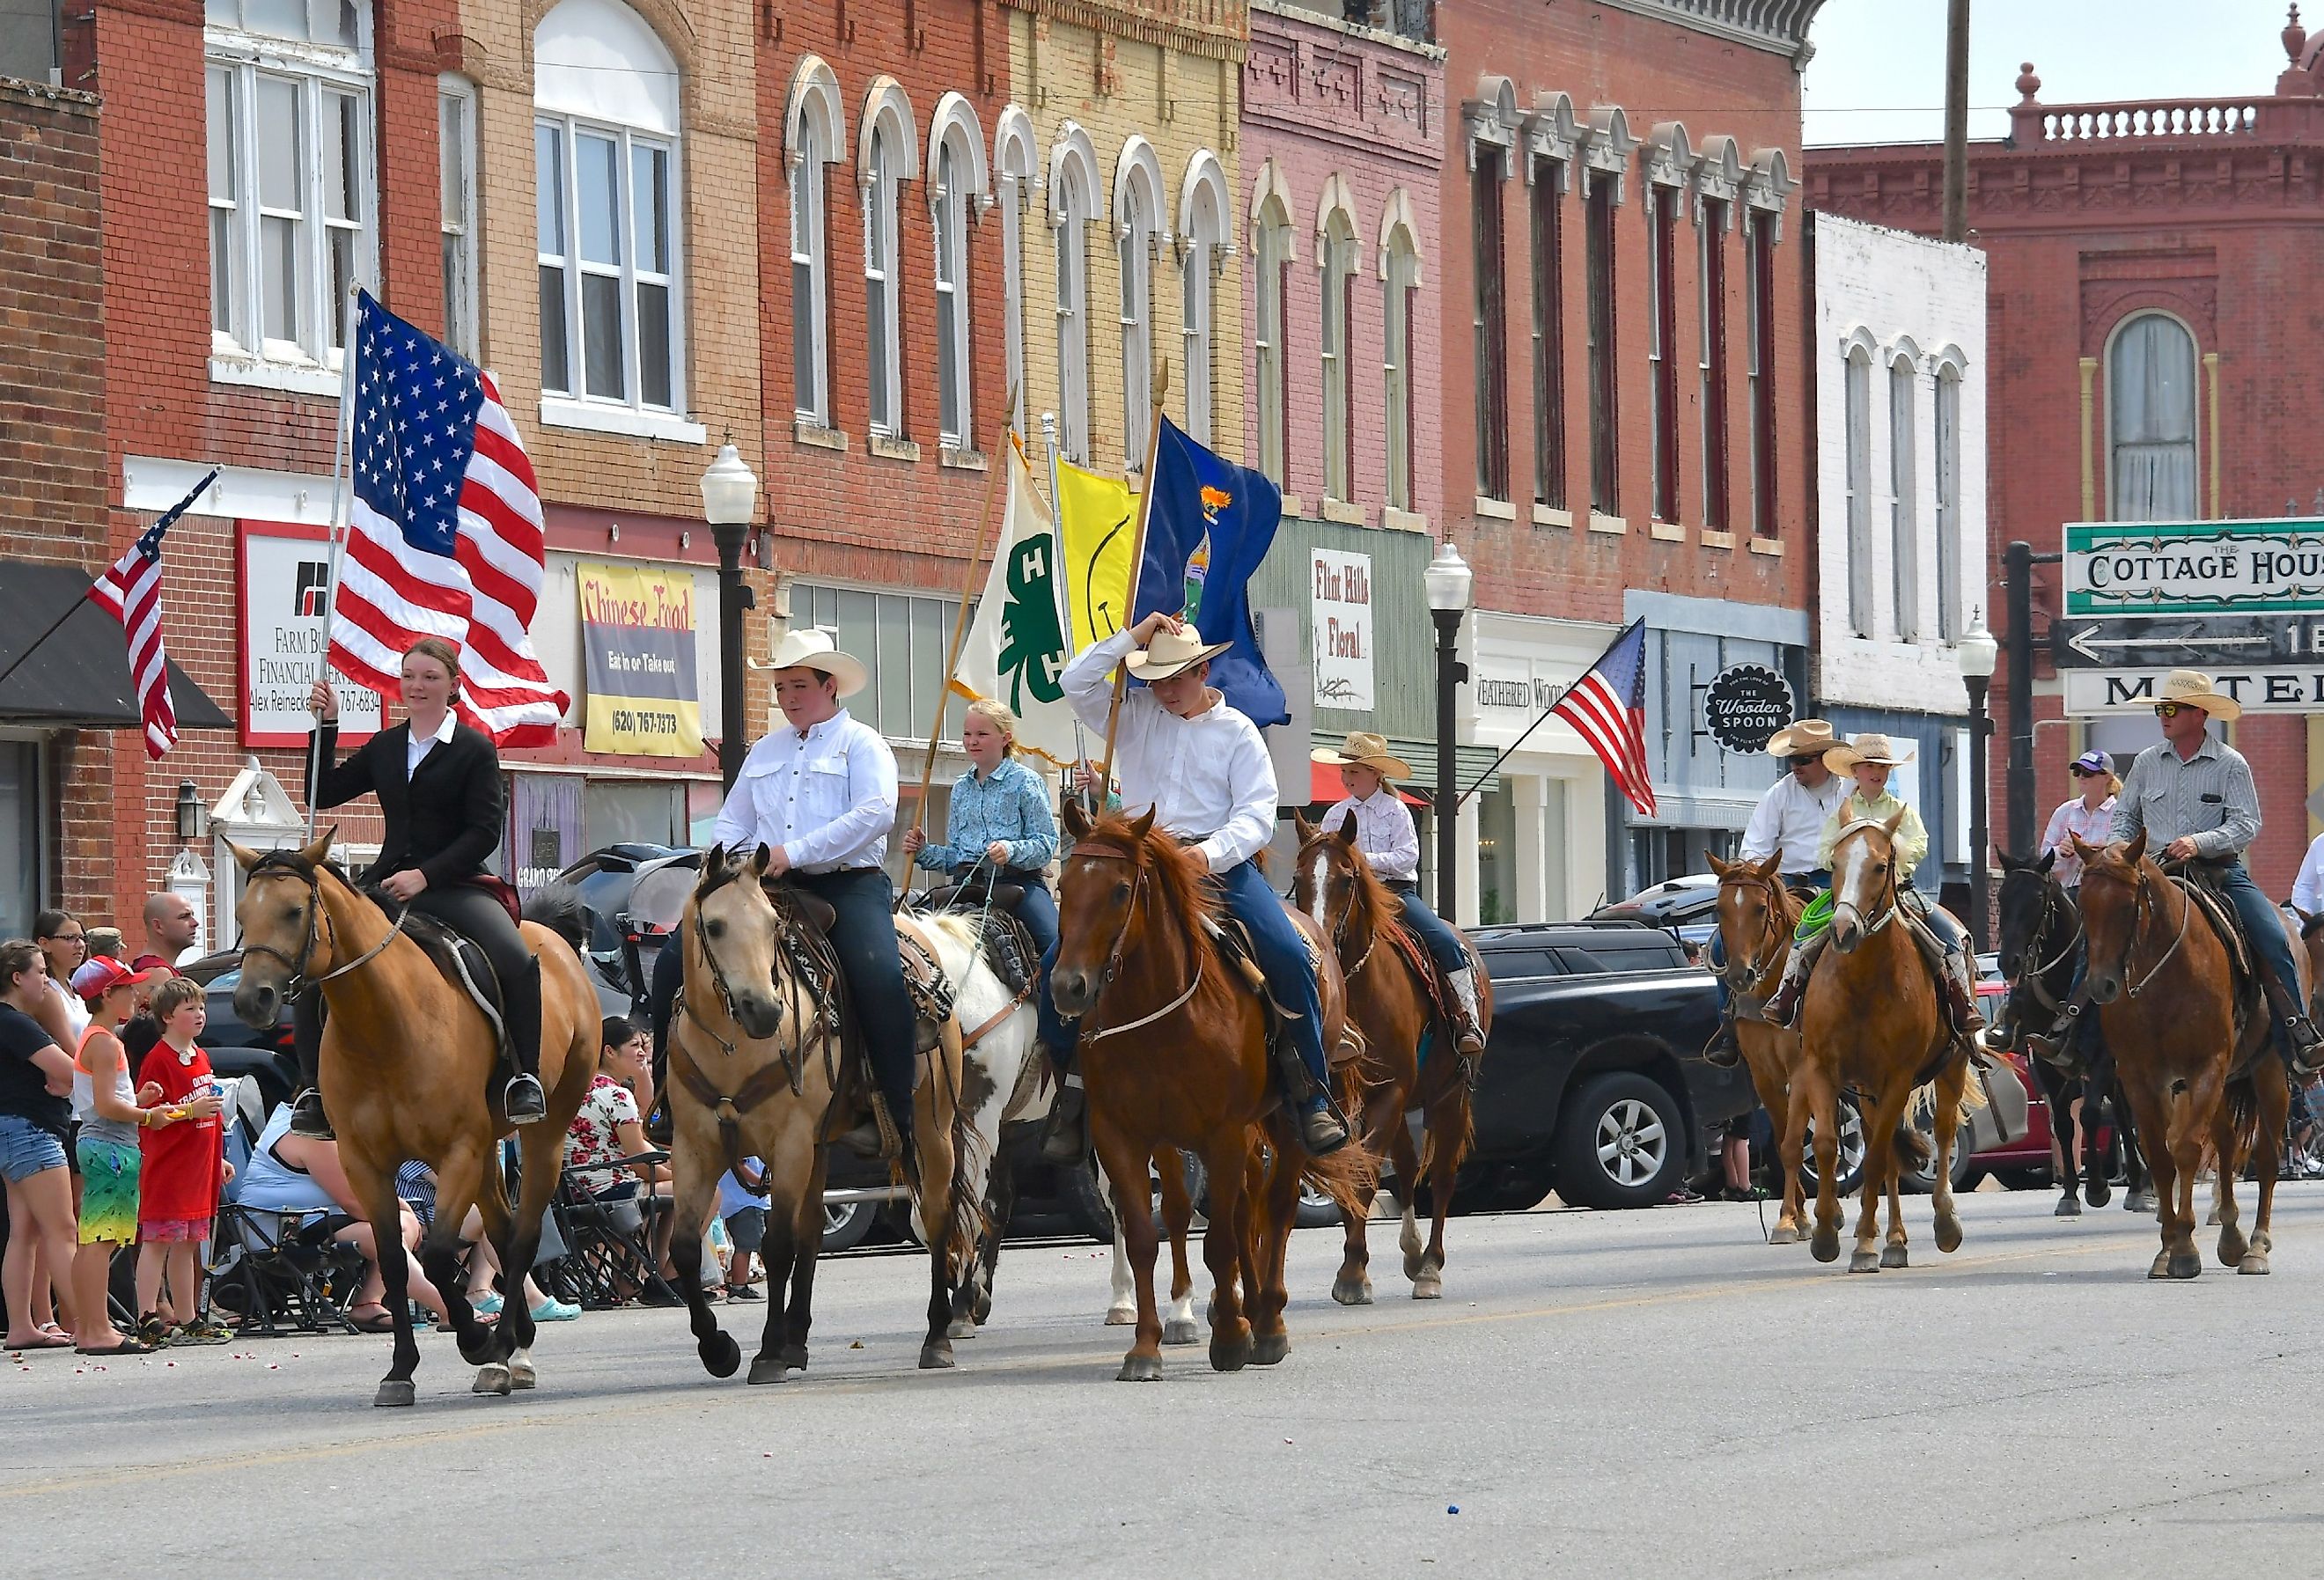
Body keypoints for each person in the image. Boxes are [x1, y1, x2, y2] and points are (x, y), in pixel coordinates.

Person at [1052, 612, 1348, 1157]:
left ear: (1204, 670)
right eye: (1156, 678)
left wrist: (1204, 856)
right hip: (1138, 866)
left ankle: (1312, 1095)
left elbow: (1257, 816)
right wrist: (1132, 638)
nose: (1165, 690)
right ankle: (1063, 1093)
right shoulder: (1133, 713)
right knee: (1065, 954)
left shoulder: (1238, 734)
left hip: (1217, 867)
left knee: (1287, 952)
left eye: (1177, 677)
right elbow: (1074, 682)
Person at [299, 636, 545, 1135]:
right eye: (410, 676)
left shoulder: (475, 748)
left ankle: (523, 1077)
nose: (417, 686)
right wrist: (327, 726)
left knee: (516, 961)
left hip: (454, 882)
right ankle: (313, 1090)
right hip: (386, 882)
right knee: (317, 959)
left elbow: (484, 831)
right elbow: (320, 793)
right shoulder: (387, 746)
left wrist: (426, 875)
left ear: (453, 686)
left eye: (430, 678)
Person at [709, 626, 918, 1160]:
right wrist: (738, 862)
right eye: (781, 688)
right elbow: (731, 821)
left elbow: (876, 814)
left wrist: (790, 852)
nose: (788, 698)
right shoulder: (764, 751)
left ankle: (897, 1112)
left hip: (849, 885)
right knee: (680, 963)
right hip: (767, 886)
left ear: (831, 686)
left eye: (799, 685)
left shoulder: (863, 743)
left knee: (879, 976)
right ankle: (673, 1095)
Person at [2108, 669, 2322, 1072]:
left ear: (2199, 714)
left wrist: (2197, 842)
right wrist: (2117, 852)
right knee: (2098, 932)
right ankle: (2073, 1032)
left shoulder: (2230, 764)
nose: (2163, 716)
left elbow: (2246, 824)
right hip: (2154, 873)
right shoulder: (2145, 763)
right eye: (2160, 708)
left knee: (2273, 937)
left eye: (2171, 708)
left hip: (2219, 872)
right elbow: (2124, 819)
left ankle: (2298, 1035)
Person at [1763, 732, 1986, 1041]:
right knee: (1803, 935)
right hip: (1849, 894)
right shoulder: (1842, 811)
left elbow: (1919, 844)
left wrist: (1896, 862)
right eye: (1869, 765)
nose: (1876, 772)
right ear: (1855, 771)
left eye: (1883, 767)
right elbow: (1826, 849)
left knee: (1949, 933)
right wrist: (1845, 865)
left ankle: (1962, 1002)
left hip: (1898, 891)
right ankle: (1787, 995)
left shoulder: (1901, 810)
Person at [1312, 731, 1486, 1057]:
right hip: (1349, 896)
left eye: (1355, 772)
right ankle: (1318, 1022)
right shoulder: (1335, 814)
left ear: (1375, 775)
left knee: (1443, 939)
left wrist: (1362, 862)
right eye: (1345, 771)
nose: (1347, 778)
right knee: (1315, 943)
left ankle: (1466, 1018)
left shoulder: (1396, 810)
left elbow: (1407, 856)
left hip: (1395, 893)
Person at [233, 1098, 459, 1331]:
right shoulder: (308, 1130)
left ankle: (368, 1303)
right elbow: (356, 1203)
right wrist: (399, 1208)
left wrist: (403, 1209)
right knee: (384, 1234)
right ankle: (449, 1308)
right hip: (279, 1233)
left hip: (317, 1219)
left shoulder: (325, 1121)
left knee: (404, 1222)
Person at [1700, 722, 1850, 1067]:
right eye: (1792, 761)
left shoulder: (1849, 791)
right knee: (1723, 944)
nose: (1796, 768)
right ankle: (1729, 1025)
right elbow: (1754, 848)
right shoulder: (1779, 794)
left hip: (1839, 882)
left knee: (1853, 934)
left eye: (1804, 760)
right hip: (1788, 883)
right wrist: (1751, 875)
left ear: (1826, 759)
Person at [66, 956, 175, 1356]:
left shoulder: (95, 1037)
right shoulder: (106, 1041)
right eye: (127, 988)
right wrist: (149, 1114)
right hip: (110, 1146)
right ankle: (95, 1330)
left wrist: (138, 1100)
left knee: (95, 1239)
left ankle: (90, 1327)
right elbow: (107, 1106)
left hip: (100, 1143)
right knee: (100, 1239)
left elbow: (105, 1100)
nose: (135, 994)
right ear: (107, 994)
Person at [902, 697, 1060, 959]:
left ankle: (1056, 1000)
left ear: (1005, 737)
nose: (972, 741)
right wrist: (923, 851)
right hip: (966, 886)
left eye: (982, 734)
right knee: (911, 937)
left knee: (1056, 948)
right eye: (967, 734)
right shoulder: (961, 789)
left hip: (1018, 883)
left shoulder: (1026, 782)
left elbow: (1045, 845)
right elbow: (957, 857)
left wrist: (1011, 850)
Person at [134, 975, 233, 1345]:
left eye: (201, 1007)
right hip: (169, 1165)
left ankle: (189, 1317)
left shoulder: (201, 1056)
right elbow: (149, 1114)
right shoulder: (158, 1059)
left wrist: (219, 1156)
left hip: (199, 1163)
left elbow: (211, 1112)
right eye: (189, 1009)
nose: (200, 1014)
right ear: (168, 1016)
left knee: (189, 1243)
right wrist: (189, 1110)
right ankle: (147, 1314)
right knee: (158, 1239)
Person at [0, 940, 84, 1351]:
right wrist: (65, 1078)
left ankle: (21, 1326)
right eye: (40, 972)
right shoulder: (16, 1022)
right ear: (17, 977)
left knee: (26, 1232)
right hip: (31, 1130)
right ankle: (90, 1324)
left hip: (13, 1131)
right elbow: (68, 1069)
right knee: (63, 1228)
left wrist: (63, 1079)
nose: (47, 981)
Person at [563, 1015, 680, 1303]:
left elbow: (635, 1148)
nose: (642, 1051)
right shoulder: (615, 1095)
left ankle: (638, 1276)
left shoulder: (575, 1088)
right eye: (634, 1045)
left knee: (673, 1194)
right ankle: (667, 1276)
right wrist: (678, 1173)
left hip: (576, 1192)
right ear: (609, 1051)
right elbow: (640, 1163)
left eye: (643, 1045)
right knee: (704, 1194)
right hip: (611, 1191)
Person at [2042, 749, 2119, 892]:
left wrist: (2101, 851)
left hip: (2107, 894)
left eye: (2088, 773)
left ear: (2107, 777)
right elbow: (2043, 855)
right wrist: (2060, 851)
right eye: (2077, 772)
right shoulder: (2064, 811)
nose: (2081, 777)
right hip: (2068, 892)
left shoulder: (2120, 814)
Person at [32, 911, 90, 1049]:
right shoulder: (47, 991)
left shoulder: (73, 988)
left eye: (82, 937)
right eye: (70, 938)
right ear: (45, 944)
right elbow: (72, 1051)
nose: (81, 944)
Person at [717, 1157, 766, 1303]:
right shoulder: (743, 1140)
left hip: (738, 1202)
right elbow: (739, 1164)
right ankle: (739, 1288)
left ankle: (740, 1286)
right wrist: (760, 1182)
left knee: (745, 1246)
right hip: (746, 1201)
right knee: (745, 1248)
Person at [131, 893, 198, 974]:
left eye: (192, 916)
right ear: (158, 926)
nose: (195, 923)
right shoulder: (156, 971)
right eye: (184, 917)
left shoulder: (159, 969)